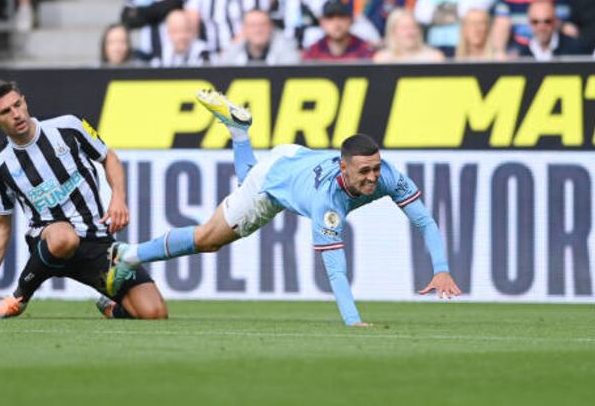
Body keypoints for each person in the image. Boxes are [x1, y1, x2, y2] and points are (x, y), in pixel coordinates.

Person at [105, 90, 462, 326]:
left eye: (376, 168)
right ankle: (129, 256)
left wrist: (442, 269)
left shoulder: (389, 177)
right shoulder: (328, 203)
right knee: (207, 238)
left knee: (246, 178)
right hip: (274, 182)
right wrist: (353, 320)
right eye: (364, 171)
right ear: (344, 167)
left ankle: (239, 131)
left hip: (291, 156)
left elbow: (425, 221)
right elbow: (335, 270)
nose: (372, 178)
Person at [0, 79, 168, 320]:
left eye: (17, 105)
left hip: (96, 242)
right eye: (5, 111)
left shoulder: (68, 127)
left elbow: (109, 158)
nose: (16, 114)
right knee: (64, 236)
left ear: (25, 101)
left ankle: (110, 306)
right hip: (50, 241)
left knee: (154, 313)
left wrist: (118, 197)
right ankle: (18, 299)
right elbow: (0, 226)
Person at [303, 0, 376, 61]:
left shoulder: (365, 50)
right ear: (322, 23)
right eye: (330, 18)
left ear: (351, 20)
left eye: (341, 17)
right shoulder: (313, 52)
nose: (336, 24)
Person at [220, 9, 301, 65]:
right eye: (252, 25)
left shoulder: (286, 48)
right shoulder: (232, 51)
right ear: (243, 29)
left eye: (263, 25)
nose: (258, 30)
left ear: (271, 27)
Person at [512, 0, 582, 60]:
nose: (541, 27)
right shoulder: (522, 55)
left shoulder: (575, 49)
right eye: (535, 22)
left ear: (555, 21)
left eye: (547, 21)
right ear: (529, 23)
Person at [373, 8, 444, 63]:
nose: (410, 33)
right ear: (392, 31)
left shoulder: (434, 58)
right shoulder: (382, 59)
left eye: (413, 27)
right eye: (404, 28)